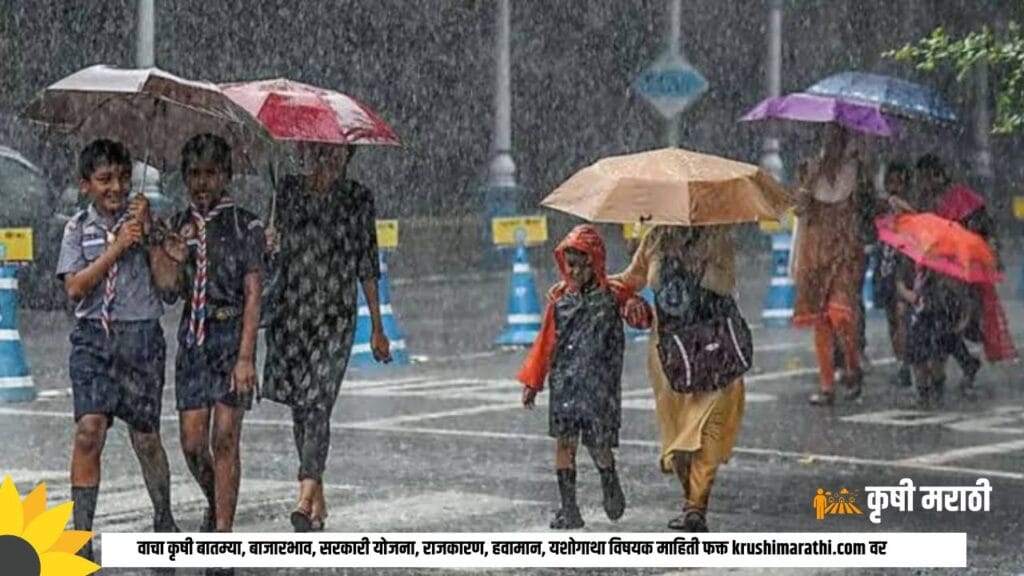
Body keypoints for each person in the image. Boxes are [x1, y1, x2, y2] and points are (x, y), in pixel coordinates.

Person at [56, 139, 178, 560]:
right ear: (86, 185)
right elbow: (75, 287)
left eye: (123, 178)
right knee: (89, 430)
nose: (116, 188)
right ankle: (81, 537)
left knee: (145, 438)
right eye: (105, 179)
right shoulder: (77, 228)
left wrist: (149, 237)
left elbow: (169, 287)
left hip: (141, 338)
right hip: (94, 338)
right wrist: (116, 248)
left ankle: (163, 515)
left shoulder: (146, 224)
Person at [262, 143, 392, 532]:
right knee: (301, 407)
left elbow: (367, 262)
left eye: (336, 156)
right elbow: (272, 253)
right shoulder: (286, 192)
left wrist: (378, 328)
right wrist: (269, 242)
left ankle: (304, 493)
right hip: (291, 313)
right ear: (305, 155)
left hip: (334, 318)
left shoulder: (357, 199)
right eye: (319, 154)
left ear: (347, 159)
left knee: (317, 400)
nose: (326, 163)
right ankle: (316, 492)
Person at [152, 135, 263, 557]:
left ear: (226, 177)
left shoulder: (244, 226)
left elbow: (253, 293)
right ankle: (218, 499)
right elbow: (167, 291)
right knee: (192, 442)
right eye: (194, 175)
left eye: (211, 174)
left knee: (225, 437)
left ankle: (222, 535)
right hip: (193, 340)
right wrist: (170, 257)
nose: (202, 183)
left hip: (231, 335)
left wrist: (246, 357)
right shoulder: (178, 223)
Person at [615, 225, 746, 532]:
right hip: (670, 356)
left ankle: (696, 507)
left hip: (713, 347)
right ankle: (692, 501)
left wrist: (696, 263)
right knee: (678, 437)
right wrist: (597, 286)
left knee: (707, 430)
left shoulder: (718, 235)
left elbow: (726, 283)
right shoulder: (655, 237)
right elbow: (631, 279)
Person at [518, 225, 650, 529]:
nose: (573, 271)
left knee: (597, 443)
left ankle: (608, 475)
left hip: (599, 386)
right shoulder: (560, 300)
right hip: (565, 383)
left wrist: (634, 307)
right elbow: (545, 343)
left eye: (580, 265)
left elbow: (643, 319)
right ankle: (569, 508)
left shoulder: (614, 294)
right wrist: (533, 382)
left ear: (596, 263)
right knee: (565, 443)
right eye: (569, 265)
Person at [792, 126, 867, 406]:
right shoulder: (809, 168)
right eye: (829, 138)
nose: (834, 144)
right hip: (814, 251)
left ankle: (851, 365)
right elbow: (798, 209)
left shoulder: (858, 171)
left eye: (839, 138)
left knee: (841, 314)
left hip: (844, 250)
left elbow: (868, 205)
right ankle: (827, 385)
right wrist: (809, 182)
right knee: (820, 319)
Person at [873, 163, 916, 388]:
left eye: (899, 181)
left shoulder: (911, 207)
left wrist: (906, 210)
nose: (894, 187)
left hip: (905, 269)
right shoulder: (882, 207)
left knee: (902, 316)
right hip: (885, 268)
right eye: (891, 181)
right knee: (892, 317)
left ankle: (908, 362)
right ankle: (901, 361)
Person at [899, 266, 967, 408]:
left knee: (937, 359)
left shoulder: (944, 265)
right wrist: (906, 293)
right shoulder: (909, 261)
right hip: (917, 318)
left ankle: (937, 392)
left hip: (940, 316)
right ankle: (922, 395)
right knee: (918, 360)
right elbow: (899, 281)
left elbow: (958, 291)